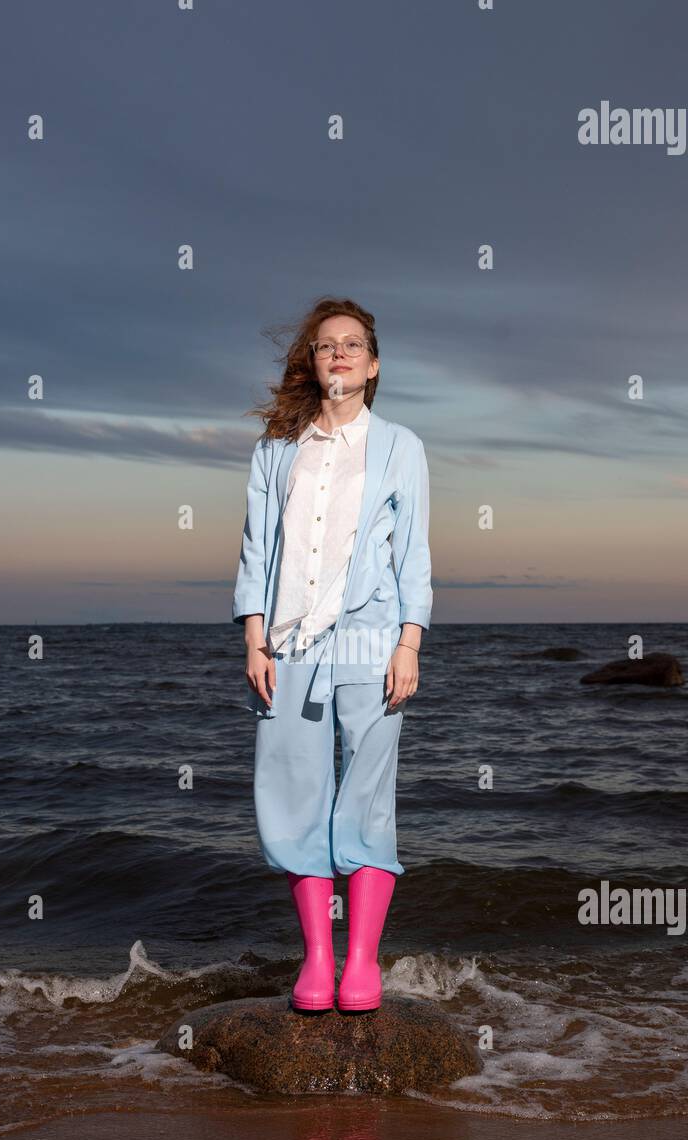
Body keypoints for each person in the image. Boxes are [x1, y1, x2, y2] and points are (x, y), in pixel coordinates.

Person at [232, 296, 433, 1013]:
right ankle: (317, 961)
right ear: (311, 364)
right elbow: (257, 549)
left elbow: (413, 555)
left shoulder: (400, 447)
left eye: (352, 345)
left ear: (372, 366)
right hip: (286, 643)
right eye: (325, 346)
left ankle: (362, 965)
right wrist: (253, 638)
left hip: (372, 639)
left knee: (368, 798)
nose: (339, 354)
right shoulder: (274, 449)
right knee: (290, 795)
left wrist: (408, 642)